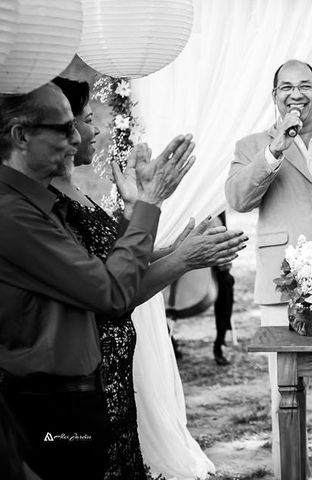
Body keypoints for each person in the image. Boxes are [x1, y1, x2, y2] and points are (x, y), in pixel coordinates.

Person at [50, 76, 246, 479]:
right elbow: (111, 289)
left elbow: (117, 261)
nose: (97, 129)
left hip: (113, 371)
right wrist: (181, 259)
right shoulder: (48, 204)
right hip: (82, 375)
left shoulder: (74, 190)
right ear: (63, 130)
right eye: (87, 120)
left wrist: (172, 245)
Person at [0, 82, 192, 480]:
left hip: (79, 391)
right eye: (65, 127)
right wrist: (149, 204)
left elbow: (104, 269)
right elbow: (110, 292)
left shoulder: (39, 202)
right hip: (47, 401)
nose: (77, 139)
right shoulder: (12, 214)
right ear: (21, 136)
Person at [225, 59, 312, 479]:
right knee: (286, 398)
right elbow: (239, 200)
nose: (296, 94)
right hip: (283, 288)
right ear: (274, 95)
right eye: (286, 87)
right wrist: (273, 152)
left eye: (305, 86)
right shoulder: (252, 145)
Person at [212, 211, 235, 366]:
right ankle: (170, 338)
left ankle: (220, 340)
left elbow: (222, 233)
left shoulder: (218, 208)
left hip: (213, 260)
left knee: (227, 281)